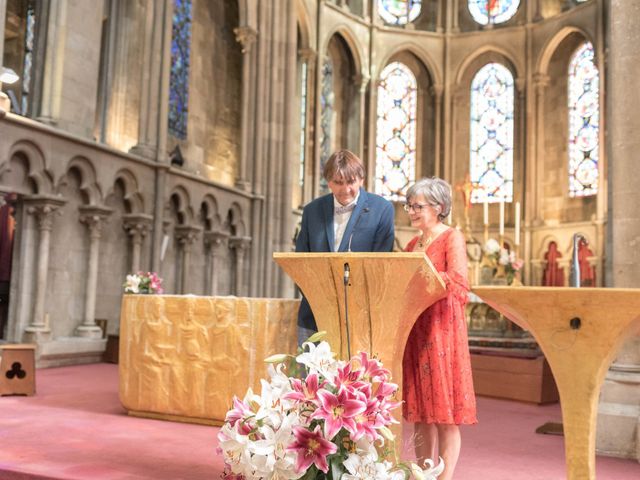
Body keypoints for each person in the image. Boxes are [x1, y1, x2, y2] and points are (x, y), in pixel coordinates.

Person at [401, 177, 477, 480]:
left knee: (445, 415)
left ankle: (444, 478)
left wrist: (425, 280)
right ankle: (422, 474)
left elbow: (459, 283)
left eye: (417, 205)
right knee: (421, 413)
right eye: (409, 205)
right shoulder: (410, 244)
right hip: (416, 330)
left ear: (439, 207)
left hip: (442, 330)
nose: (411, 211)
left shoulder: (451, 238)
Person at [295, 149, 395, 343]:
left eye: (351, 182)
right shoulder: (312, 211)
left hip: (361, 317)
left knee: (357, 374)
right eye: (338, 182)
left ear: (361, 179)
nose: (345, 189)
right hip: (314, 314)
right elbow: (300, 263)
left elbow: (380, 265)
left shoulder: (381, 209)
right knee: (311, 373)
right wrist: (319, 298)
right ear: (328, 181)